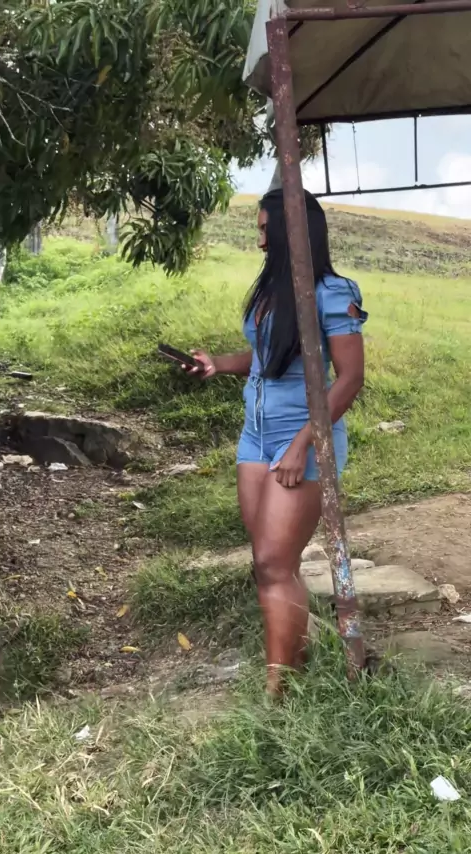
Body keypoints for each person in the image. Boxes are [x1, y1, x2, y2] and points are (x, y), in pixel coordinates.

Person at [187, 189, 367, 695]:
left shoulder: (332, 292)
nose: (260, 240)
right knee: (271, 561)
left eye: (266, 230)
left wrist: (302, 444)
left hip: (301, 438)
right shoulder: (271, 289)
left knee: (272, 562)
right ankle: (295, 662)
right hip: (256, 437)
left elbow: (349, 379)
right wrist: (218, 364)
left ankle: (277, 690)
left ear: (291, 232)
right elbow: (267, 356)